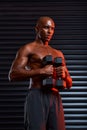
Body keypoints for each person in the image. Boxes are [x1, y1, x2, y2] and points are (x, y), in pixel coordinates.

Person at [9, 16, 72, 130]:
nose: (50, 32)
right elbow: (13, 74)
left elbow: (69, 84)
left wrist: (65, 76)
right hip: (37, 95)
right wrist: (41, 71)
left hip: (55, 97)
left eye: (52, 28)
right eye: (46, 28)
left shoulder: (58, 53)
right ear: (37, 29)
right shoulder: (28, 49)